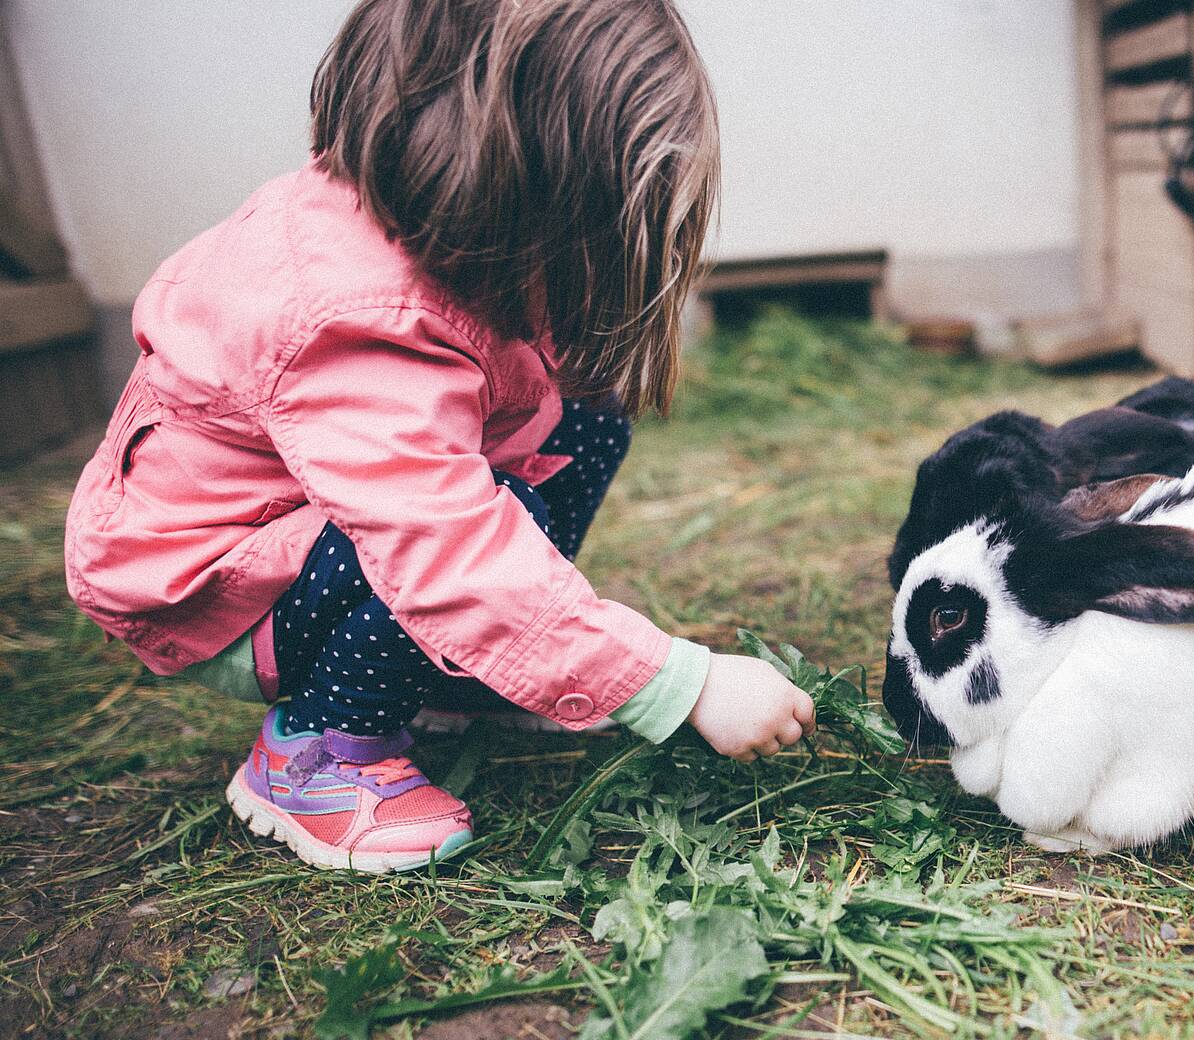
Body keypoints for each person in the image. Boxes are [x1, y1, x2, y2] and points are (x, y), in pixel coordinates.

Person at [64, 0, 814, 873]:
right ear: (523, 175)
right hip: (210, 582)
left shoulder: (448, 243)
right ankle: (313, 754)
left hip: (303, 524)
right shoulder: (354, 315)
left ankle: (466, 675)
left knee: (586, 416)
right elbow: (447, 547)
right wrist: (677, 684)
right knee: (484, 526)